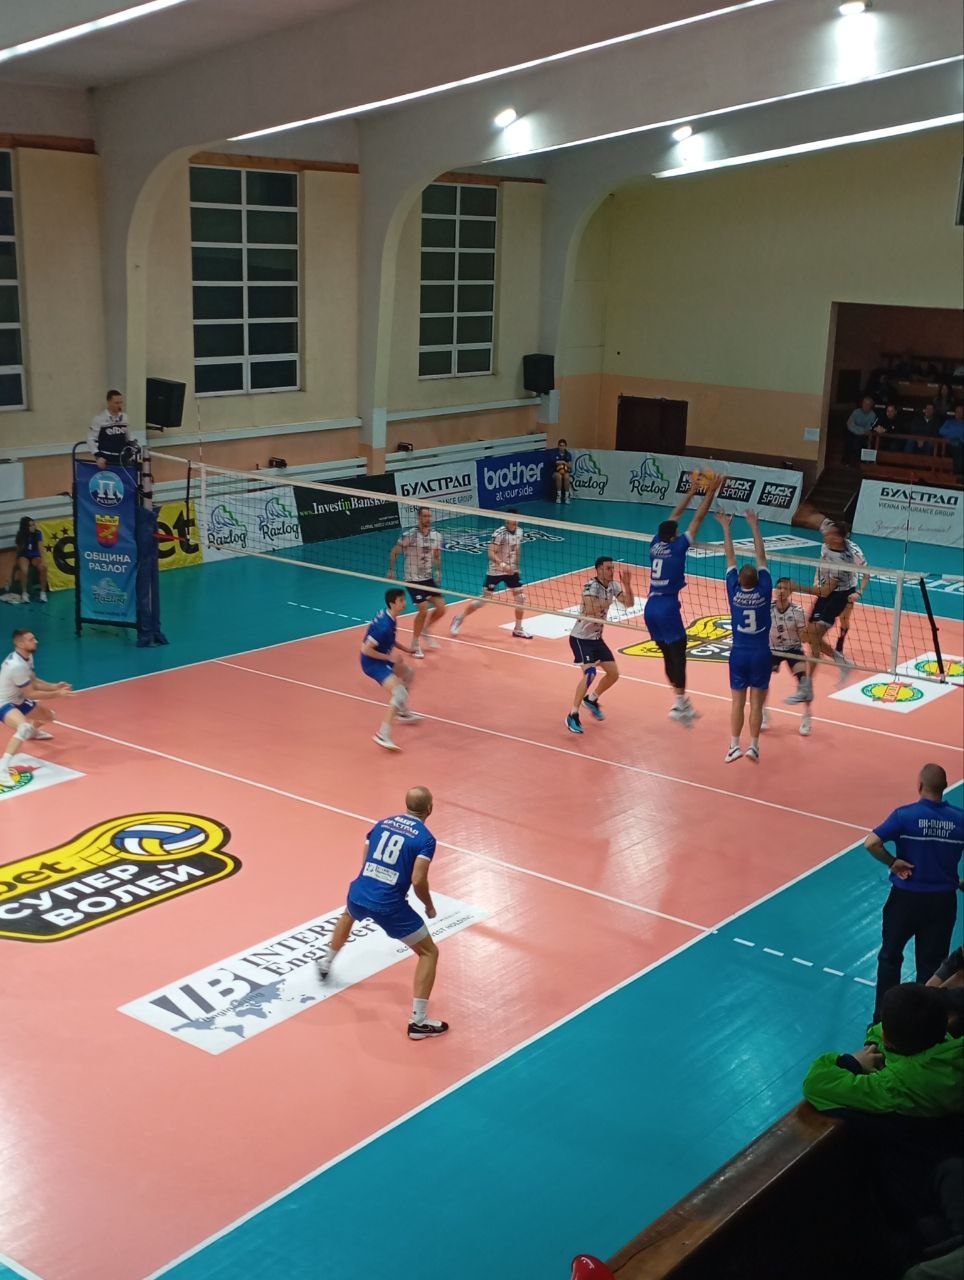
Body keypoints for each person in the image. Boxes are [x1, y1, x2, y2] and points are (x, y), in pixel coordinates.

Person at [316, 786, 449, 1040]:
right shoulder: (425, 839)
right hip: (389, 905)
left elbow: (366, 857)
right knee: (429, 952)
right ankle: (418, 1021)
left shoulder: (382, 823)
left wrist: (372, 883)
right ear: (430, 809)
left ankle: (325, 963)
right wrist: (429, 905)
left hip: (360, 892)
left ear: (406, 805)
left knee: (348, 916)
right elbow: (418, 880)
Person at [863, 763, 964, 1022]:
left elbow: (871, 843)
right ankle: (922, 1025)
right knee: (931, 967)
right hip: (942, 903)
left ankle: (882, 1021)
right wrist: (957, 880)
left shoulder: (904, 816)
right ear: (945, 787)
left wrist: (892, 862)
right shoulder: (960, 819)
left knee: (890, 958)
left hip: (905, 901)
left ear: (919, 786)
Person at [802, 983, 963, 1117]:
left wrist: (854, 1062)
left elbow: (816, 1083)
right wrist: (873, 1045)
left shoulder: (895, 1085)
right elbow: (880, 1030)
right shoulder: (950, 1046)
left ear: (887, 1040)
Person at [642, 473, 722, 724]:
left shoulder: (655, 544)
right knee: (679, 654)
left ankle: (680, 702)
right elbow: (698, 517)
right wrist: (711, 491)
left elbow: (674, 516)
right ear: (673, 536)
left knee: (667, 655)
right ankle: (679, 705)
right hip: (667, 606)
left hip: (650, 607)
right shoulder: (678, 547)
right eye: (676, 532)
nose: (678, 532)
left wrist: (691, 491)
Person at [789, 506, 869, 701]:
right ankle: (842, 662)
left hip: (840, 595)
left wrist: (796, 587)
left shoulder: (846, 558)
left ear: (838, 539)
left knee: (815, 637)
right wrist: (805, 512)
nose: (825, 535)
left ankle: (806, 688)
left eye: (830, 534)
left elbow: (827, 591)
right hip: (826, 590)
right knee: (808, 636)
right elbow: (815, 517)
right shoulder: (830, 534)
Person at [720, 510, 772, 763]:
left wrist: (726, 527)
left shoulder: (733, 591)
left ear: (740, 580)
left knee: (737, 703)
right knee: (757, 704)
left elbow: (730, 556)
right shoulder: (765, 590)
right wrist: (754, 525)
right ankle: (754, 746)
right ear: (757, 580)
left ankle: (733, 746)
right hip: (761, 654)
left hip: (739, 654)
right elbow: (761, 556)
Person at [566, 556, 633, 735]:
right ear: (599, 570)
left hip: (596, 638)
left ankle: (591, 699)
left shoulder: (613, 586)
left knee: (614, 674)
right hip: (581, 638)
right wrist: (603, 605)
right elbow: (590, 610)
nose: (612, 571)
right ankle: (573, 714)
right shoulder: (591, 586)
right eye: (608, 568)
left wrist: (627, 585)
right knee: (590, 673)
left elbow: (629, 604)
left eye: (613, 568)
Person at [0, 630, 73, 788]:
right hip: (3, 702)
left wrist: (55, 686)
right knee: (23, 727)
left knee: (50, 716)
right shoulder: (16, 666)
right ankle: (3, 769)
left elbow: (33, 681)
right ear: (20, 643)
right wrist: (57, 694)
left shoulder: (27, 657)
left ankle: (33, 733)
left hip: (18, 698)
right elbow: (31, 694)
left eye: (34, 638)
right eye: (31, 639)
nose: (36, 641)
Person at [449, 510, 532, 640]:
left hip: (511, 571)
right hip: (496, 571)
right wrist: (503, 565)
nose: (512, 521)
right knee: (484, 600)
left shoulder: (519, 531)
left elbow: (517, 549)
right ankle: (459, 618)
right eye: (509, 518)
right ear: (506, 519)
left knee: (520, 598)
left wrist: (516, 566)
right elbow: (490, 554)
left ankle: (518, 629)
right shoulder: (499, 534)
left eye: (514, 518)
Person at [360, 588, 421, 752]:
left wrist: (406, 649)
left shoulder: (391, 617)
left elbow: (389, 640)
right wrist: (389, 658)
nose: (405, 603)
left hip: (381, 658)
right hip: (372, 663)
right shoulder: (384, 626)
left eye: (404, 599)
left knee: (409, 674)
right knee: (399, 692)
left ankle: (402, 713)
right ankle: (383, 735)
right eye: (401, 601)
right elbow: (366, 650)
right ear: (392, 603)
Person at [387, 507, 445, 659]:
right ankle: (415, 643)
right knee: (423, 609)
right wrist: (391, 570)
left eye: (429, 516)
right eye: (425, 516)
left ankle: (425, 630)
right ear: (419, 517)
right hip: (412, 578)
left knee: (441, 608)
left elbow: (437, 556)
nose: (428, 518)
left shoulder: (436, 535)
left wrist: (438, 571)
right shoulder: (409, 535)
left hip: (428, 578)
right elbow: (394, 552)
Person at [761, 576, 813, 737]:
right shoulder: (766, 609)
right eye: (779, 588)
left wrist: (808, 633)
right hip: (772, 649)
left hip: (793, 649)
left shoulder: (798, 612)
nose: (781, 591)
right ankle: (763, 712)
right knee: (761, 681)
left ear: (790, 592)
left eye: (785, 588)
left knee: (804, 682)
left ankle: (807, 716)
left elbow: (805, 638)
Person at [86, 389, 134, 469]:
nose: (119, 405)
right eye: (116, 403)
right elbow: (90, 439)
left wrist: (130, 451)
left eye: (121, 402)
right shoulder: (99, 419)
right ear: (109, 402)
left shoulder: (125, 418)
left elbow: (128, 437)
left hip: (122, 458)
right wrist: (98, 456)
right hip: (106, 460)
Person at [13, 517, 48, 603]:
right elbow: (18, 550)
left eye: (34, 525)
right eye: (31, 526)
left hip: (35, 556)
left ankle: (43, 593)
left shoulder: (37, 533)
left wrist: (43, 560)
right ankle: (24, 593)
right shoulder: (20, 535)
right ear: (25, 527)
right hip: (24, 555)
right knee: (24, 570)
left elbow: (40, 547)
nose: (33, 527)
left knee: (43, 568)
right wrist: (17, 561)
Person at [845, 396, 878, 464]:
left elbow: (868, 429)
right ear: (861, 404)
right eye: (864, 403)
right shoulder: (856, 412)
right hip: (853, 433)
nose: (866, 405)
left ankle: (860, 462)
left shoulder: (872, 415)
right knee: (849, 438)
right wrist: (861, 430)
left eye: (868, 404)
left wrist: (857, 428)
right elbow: (849, 424)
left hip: (864, 436)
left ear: (871, 406)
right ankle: (848, 460)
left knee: (859, 440)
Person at [938, 403, 964, 477]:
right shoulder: (949, 422)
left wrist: (951, 435)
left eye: (960, 411)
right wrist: (956, 435)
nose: (958, 413)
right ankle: (958, 473)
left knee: (959, 447)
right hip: (949, 445)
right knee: (958, 448)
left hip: (961, 444)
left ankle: (958, 473)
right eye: (956, 411)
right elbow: (941, 431)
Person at [551, 438, 573, 503]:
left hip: (565, 472)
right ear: (558, 446)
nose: (561, 447)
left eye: (563, 445)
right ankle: (558, 496)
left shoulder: (568, 454)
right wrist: (560, 462)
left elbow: (570, 466)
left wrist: (564, 463)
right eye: (560, 445)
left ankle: (566, 496)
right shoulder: (554, 454)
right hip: (555, 472)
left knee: (566, 477)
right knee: (559, 476)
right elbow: (555, 462)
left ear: (565, 446)